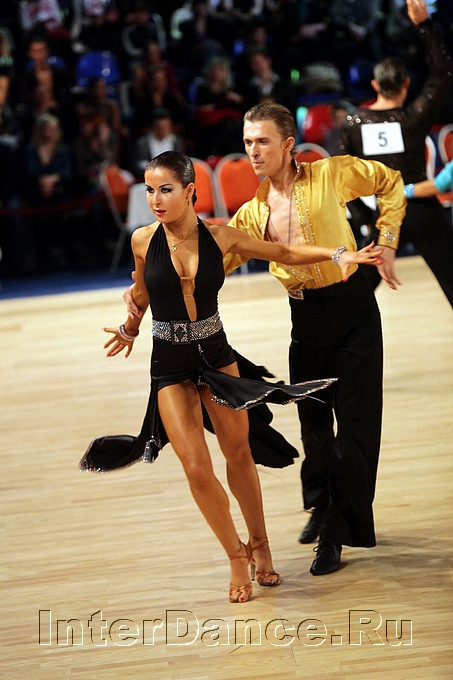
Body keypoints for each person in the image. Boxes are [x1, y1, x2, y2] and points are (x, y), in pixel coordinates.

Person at [80, 150, 383, 600]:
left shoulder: (220, 236)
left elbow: (283, 251)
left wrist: (337, 251)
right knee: (196, 468)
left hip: (217, 358)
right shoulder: (143, 240)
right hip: (169, 366)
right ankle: (236, 556)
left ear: (190, 191)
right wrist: (129, 328)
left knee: (238, 455)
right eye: (149, 190)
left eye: (166, 190)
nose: (155, 200)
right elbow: (141, 292)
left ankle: (260, 545)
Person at [340, 0, 453, 309]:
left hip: (386, 216)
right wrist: (424, 26)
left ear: (375, 85)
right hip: (424, 212)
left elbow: (342, 178)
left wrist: (365, 221)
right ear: (406, 84)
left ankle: (341, 335)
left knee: (357, 296)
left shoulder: (354, 123)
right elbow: (444, 72)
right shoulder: (413, 118)